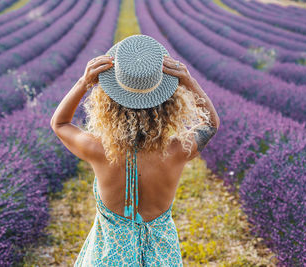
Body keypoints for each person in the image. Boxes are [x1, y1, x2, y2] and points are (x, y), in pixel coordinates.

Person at [50, 34, 220, 266]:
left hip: (109, 259)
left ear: (108, 102)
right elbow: (210, 124)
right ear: (168, 103)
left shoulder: (99, 149)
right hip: (162, 258)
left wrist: (84, 82)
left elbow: (59, 124)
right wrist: (189, 81)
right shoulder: (177, 151)